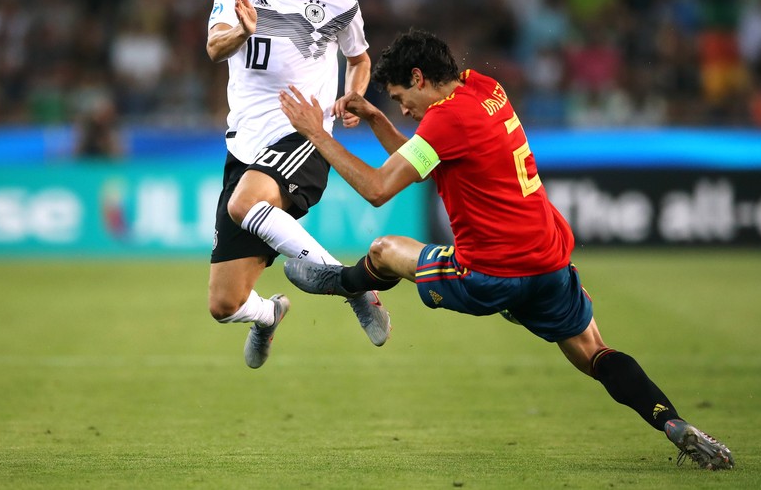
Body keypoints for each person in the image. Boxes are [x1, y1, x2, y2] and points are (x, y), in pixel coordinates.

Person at [278, 29, 734, 470]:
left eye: (401, 99)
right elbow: (424, 162)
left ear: (419, 78)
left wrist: (316, 132)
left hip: (490, 273)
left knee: (383, 250)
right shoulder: (485, 90)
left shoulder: (445, 120)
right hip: (548, 260)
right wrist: (378, 120)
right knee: (594, 353)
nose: (406, 110)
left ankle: (343, 284)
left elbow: (379, 188)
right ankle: (672, 422)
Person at [205, 0, 390, 370]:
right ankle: (268, 315)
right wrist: (243, 32)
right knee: (224, 305)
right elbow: (213, 47)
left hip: (304, 137)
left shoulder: (339, 4)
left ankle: (354, 287)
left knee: (245, 204)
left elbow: (361, 58)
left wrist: (353, 94)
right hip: (245, 149)